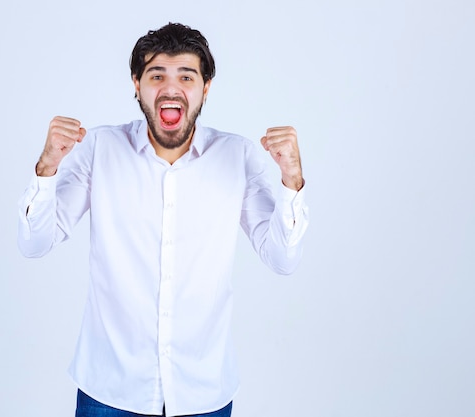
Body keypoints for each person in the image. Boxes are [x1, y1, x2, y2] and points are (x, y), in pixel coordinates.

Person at [18, 22, 309, 417]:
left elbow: (282, 259)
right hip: (110, 391)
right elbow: (35, 244)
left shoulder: (237, 157)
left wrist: (292, 181)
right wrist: (47, 167)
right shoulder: (99, 149)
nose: (171, 88)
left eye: (186, 76)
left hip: (203, 392)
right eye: (157, 75)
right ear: (136, 85)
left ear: (205, 88)